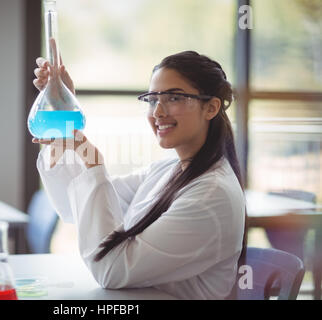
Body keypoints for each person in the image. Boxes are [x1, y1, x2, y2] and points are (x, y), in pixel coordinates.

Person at [32, 51, 247, 300]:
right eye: (152, 100)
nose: (157, 112)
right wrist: (63, 105)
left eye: (174, 98)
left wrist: (91, 160)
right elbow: (76, 207)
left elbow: (111, 270)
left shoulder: (211, 197)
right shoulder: (168, 170)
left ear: (210, 108)